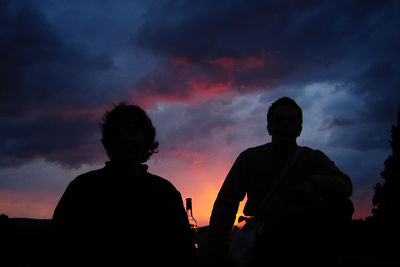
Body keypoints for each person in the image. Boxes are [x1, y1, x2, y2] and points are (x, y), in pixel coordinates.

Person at [205, 97, 353, 266]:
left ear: (299, 129)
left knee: (343, 205)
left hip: (304, 234)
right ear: (269, 127)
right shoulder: (250, 158)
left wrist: (314, 184)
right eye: (280, 119)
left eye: (291, 120)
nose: (285, 124)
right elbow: (226, 204)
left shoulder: (314, 158)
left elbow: (345, 184)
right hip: (264, 237)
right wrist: (216, 249)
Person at [50, 103, 196, 266]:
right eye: (117, 134)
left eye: (132, 132)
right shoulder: (81, 190)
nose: (125, 139)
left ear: (146, 140)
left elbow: (184, 254)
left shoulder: (165, 193)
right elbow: (57, 251)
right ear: (108, 142)